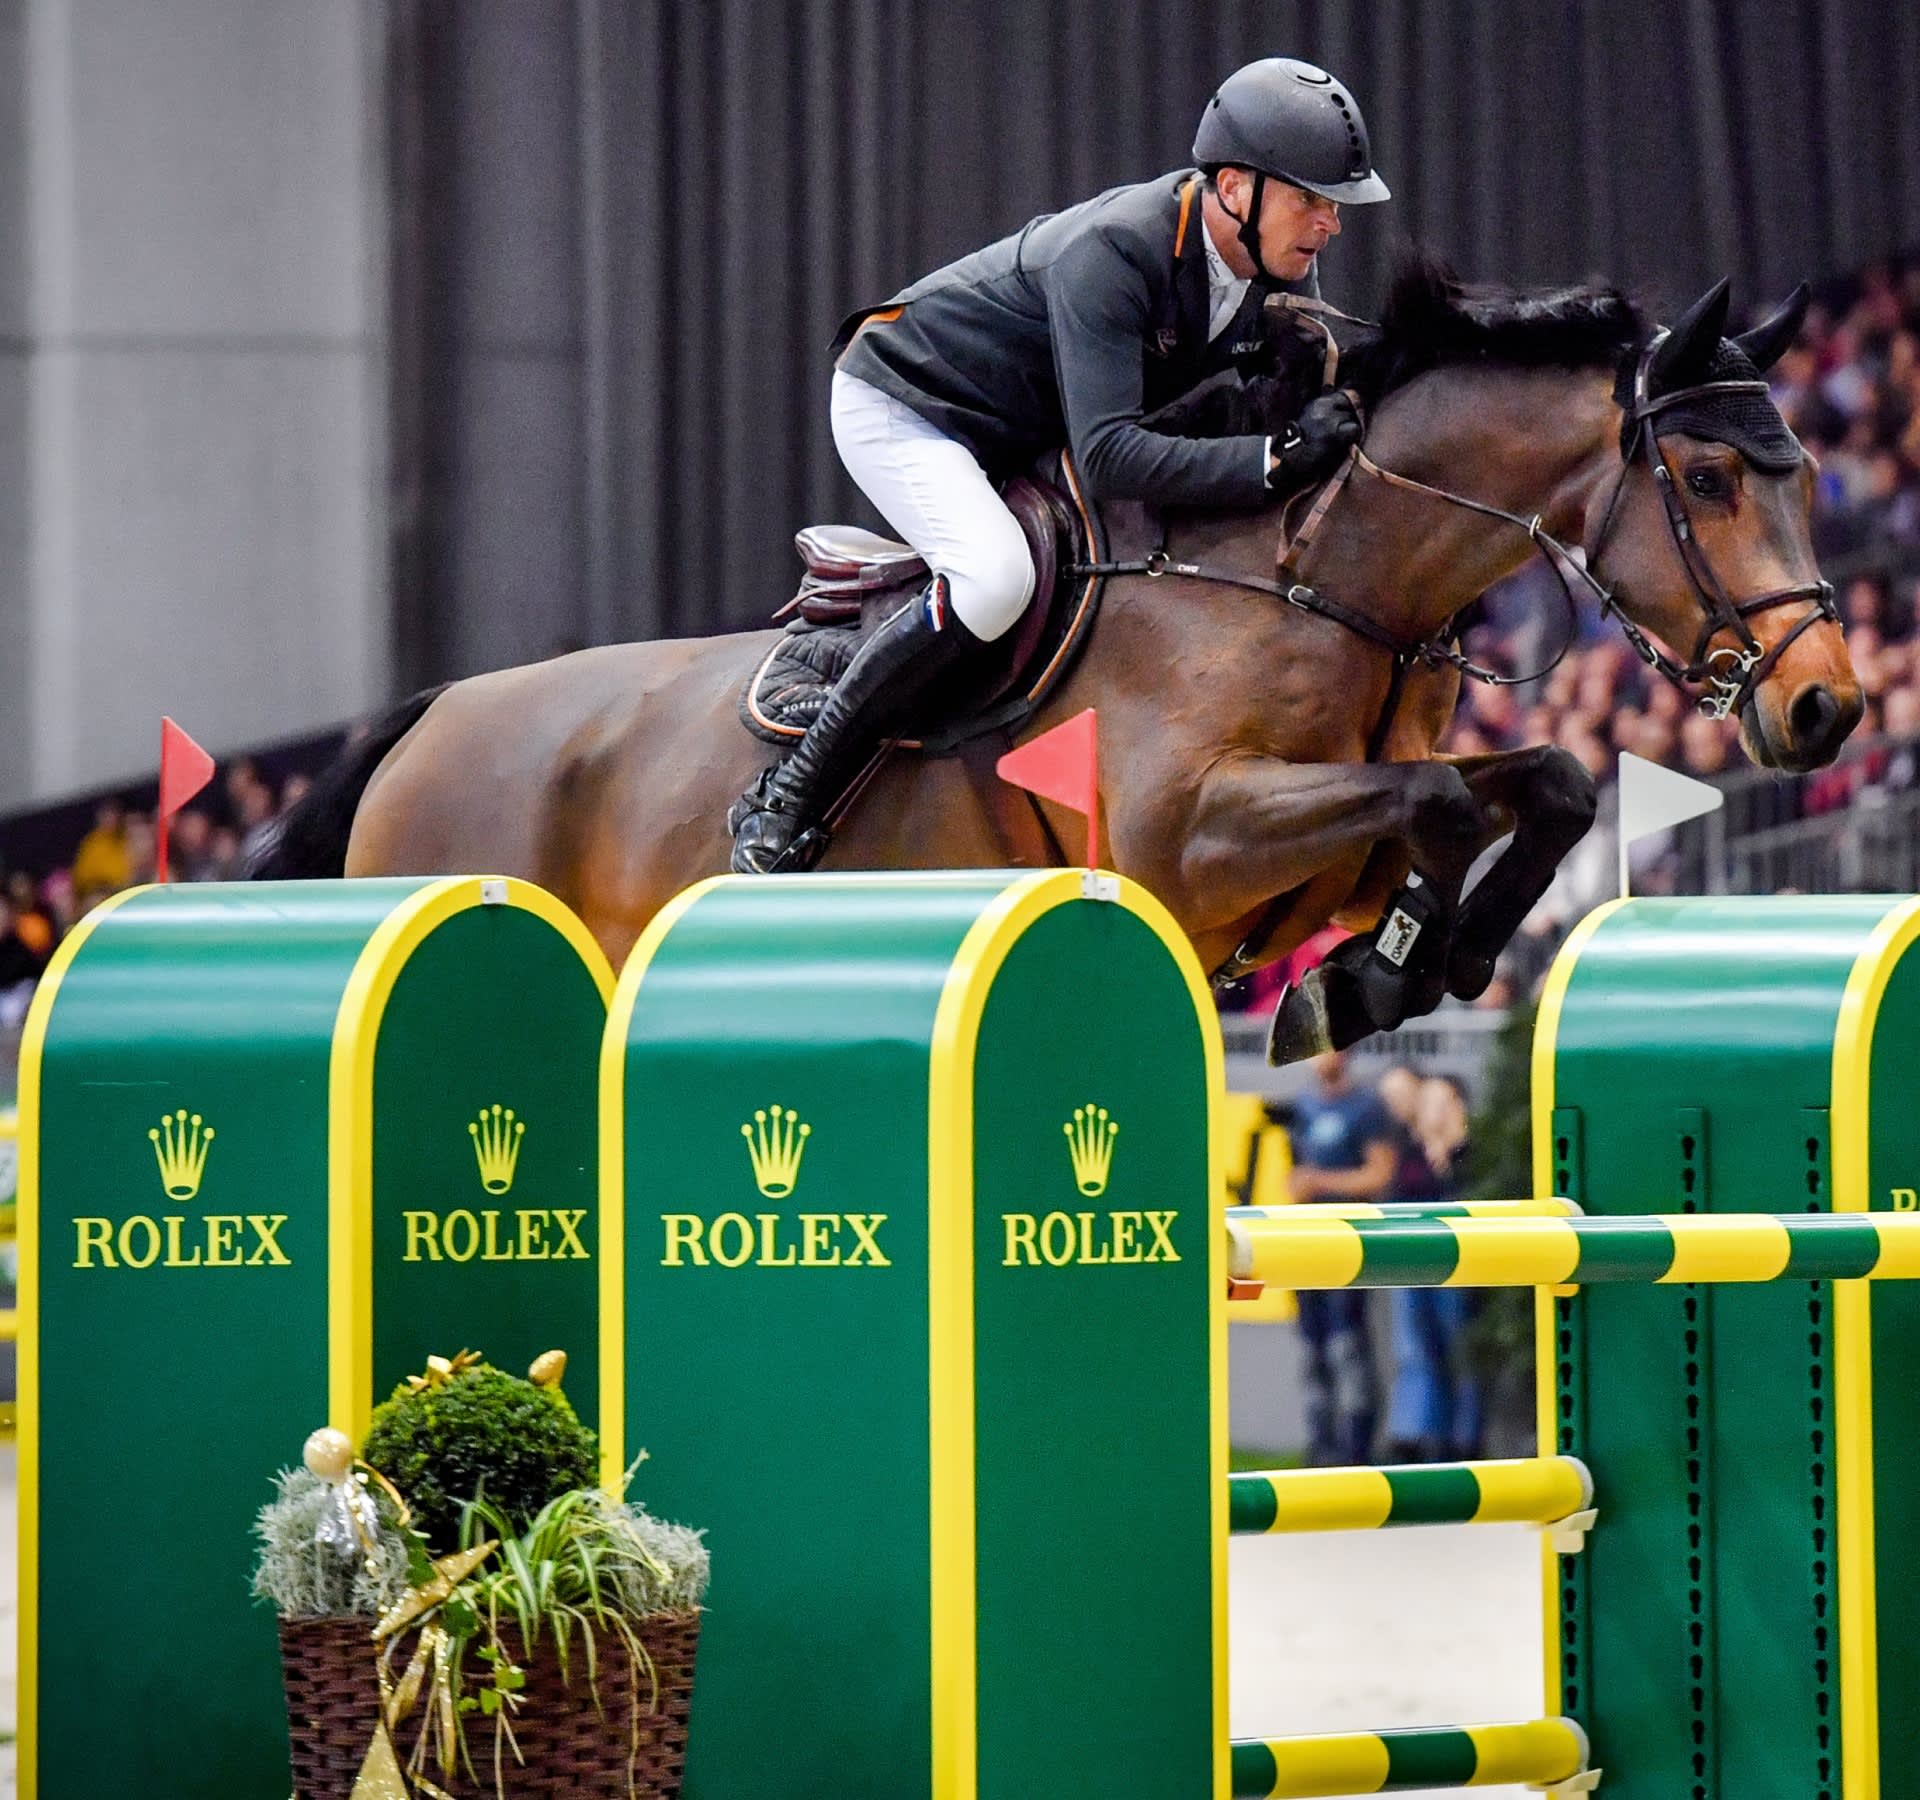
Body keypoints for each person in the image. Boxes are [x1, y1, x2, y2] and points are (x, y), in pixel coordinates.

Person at [730, 56, 1390, 873]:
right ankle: (790, 793)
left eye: (1334, 204)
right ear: (1232, 188)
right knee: (996, 578)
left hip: (1022, 426)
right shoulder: (1115, 250)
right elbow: (1112, 456)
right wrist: (1273, 460)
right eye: (1311, 199)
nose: (1330, 222)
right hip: (908, 404)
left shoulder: (1274, 261)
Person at [1287, 1050, 1397, 1465]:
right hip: (1306, 1242)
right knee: (1313, 1348)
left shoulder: (1366, 1107)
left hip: (1348, 1241)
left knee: (1347, 1345)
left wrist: (1319, 1182)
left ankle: (1357, 1447)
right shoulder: (1305, 1104)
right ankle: (1321, 1443)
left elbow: (1379, 1174)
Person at [1382, 1075, 1483, 1462]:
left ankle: (1464, 1441)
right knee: (1417, 1352)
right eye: (1426, 1102)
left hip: (1457, 1265)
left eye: (1440, 1102)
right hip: (1412, 1265)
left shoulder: (1469, 1153)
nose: (1430, 1110)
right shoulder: (1408, 1150)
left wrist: (1451, 1149)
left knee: (1461, 1349)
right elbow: (1392, 1197)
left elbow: (1472, 1198)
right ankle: (1417, 1436)